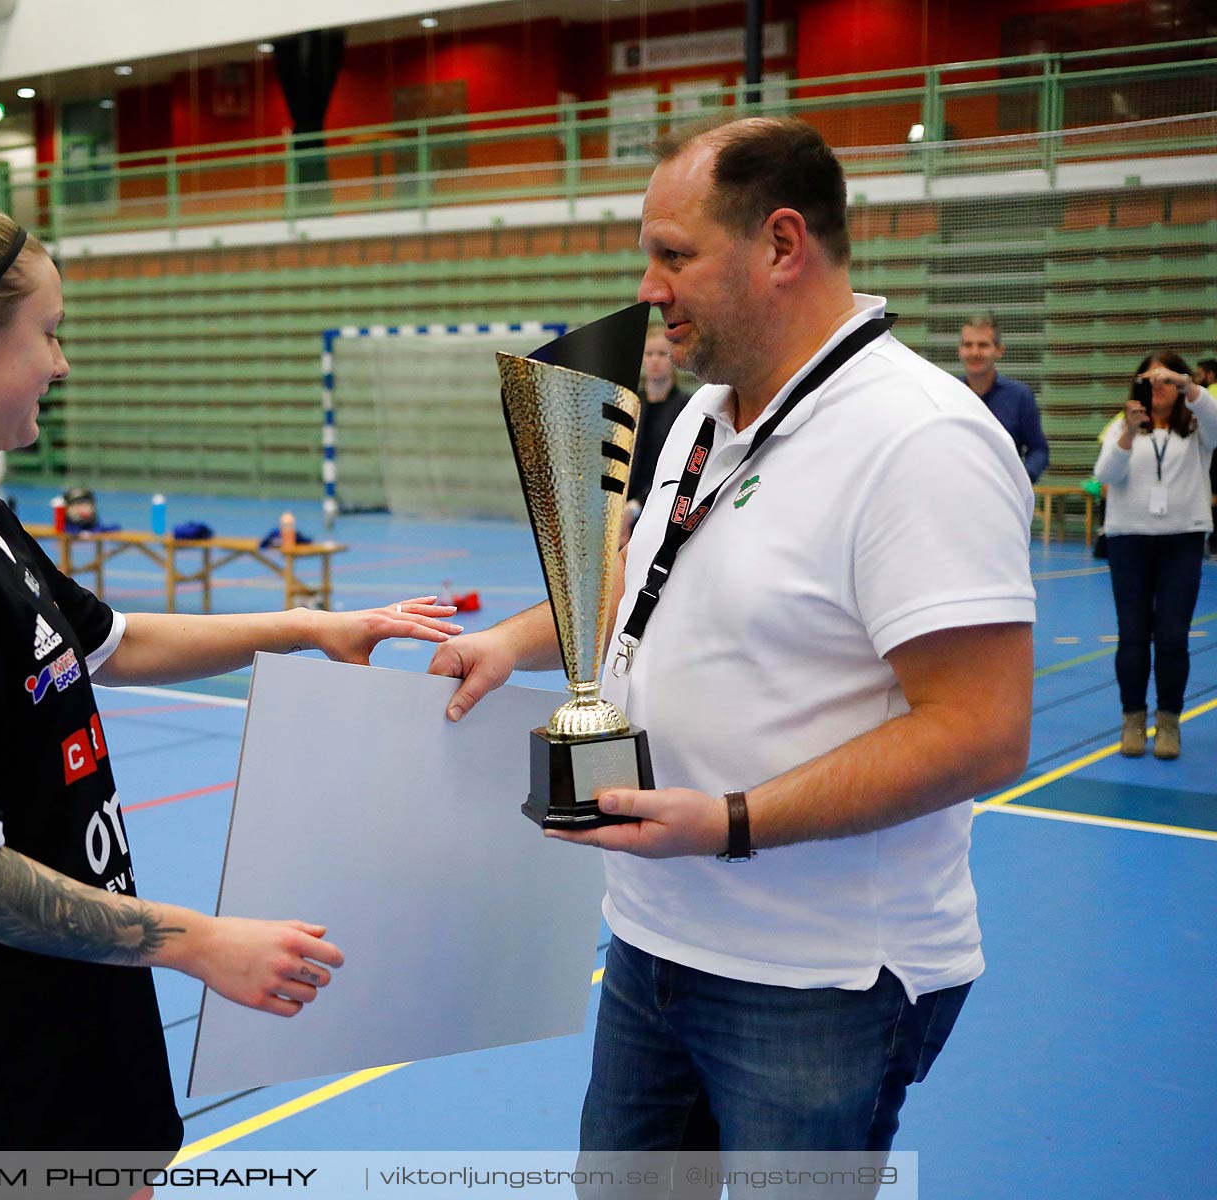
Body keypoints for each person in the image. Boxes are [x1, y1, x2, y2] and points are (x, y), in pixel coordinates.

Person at [0, 199, 462, 1168]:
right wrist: (196, 942)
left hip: (87, 1014)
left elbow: (115, 642)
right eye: (48, 333)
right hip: (8, 1080)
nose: (60, 363)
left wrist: (312, 627)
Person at [428, 118, 1036, 1190]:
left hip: (817, 981)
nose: (649, 287)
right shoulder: (711, 415)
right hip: (652, 947)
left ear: (783, 245)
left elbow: (980, 732)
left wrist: (731, 823)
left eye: (674, 254)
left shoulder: (918, 439)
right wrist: (513, 643)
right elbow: (640, 579)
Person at [1092, 351, 1216, 759]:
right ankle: (1132, 719)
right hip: (1129, 540)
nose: (1158, 388)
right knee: (1131, 635)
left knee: (1172, 636)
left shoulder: (1198, 425)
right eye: (1151, 381)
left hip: (1182, 540)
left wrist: (1188, 385)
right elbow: (1104, 476)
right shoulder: (1122, 426)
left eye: (1167, 381)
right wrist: (1128, 433)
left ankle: (1168, 723)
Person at [958, 312, 1048, 483]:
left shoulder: (1021, 396)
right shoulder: (947, 393)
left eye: (983, 345)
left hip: (1004, 497)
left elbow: (1039, 450)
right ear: (959, 350)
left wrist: (1021, 482)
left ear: (999, 350)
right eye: (968, 345)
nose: (974, 352)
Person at [621, 329, 691, 544]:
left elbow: (680, 465)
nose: (654, 360)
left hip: (663, 501)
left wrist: (636, 506)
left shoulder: (687, 407)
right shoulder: (628, 403)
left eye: (662, 354)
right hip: (624, 502)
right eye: (649, 354)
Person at [1199, 358, 1217, 554]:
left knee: (1211, 496)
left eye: (1200, 374)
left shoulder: (1208, 394)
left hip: (1214, 449)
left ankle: (1212, 541)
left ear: (1210, 375)